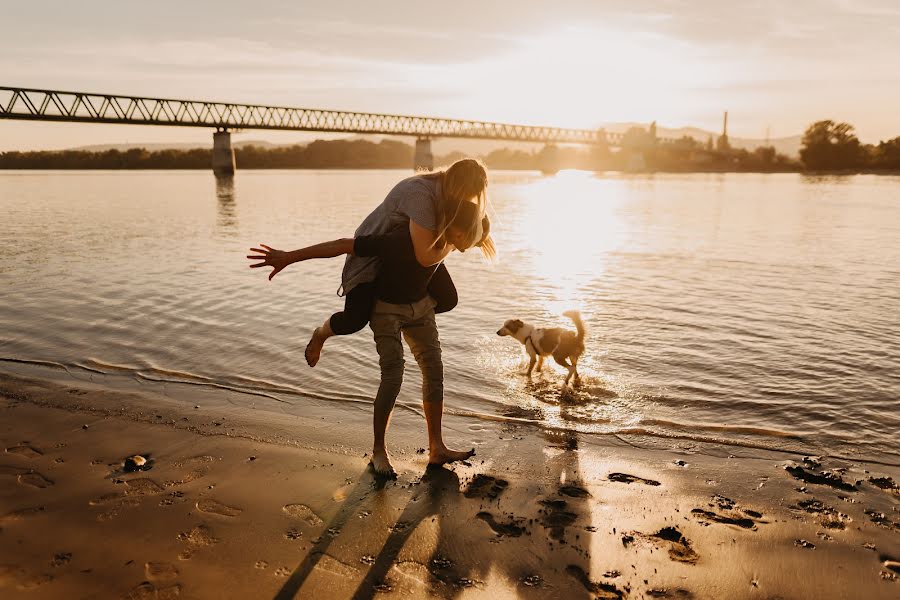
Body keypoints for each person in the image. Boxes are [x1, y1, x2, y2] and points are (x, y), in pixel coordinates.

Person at [247, 160, 495, 475]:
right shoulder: (406, 228)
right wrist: (288, 257)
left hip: (418, 305)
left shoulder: (448, 219)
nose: (463, 248)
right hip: (385, 306)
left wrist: (476, 238)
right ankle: (379, 450)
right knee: (371, 344)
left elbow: (473, 228)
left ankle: (437, 448)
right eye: (463, 241)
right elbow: (343, 245)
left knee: (436, 365)